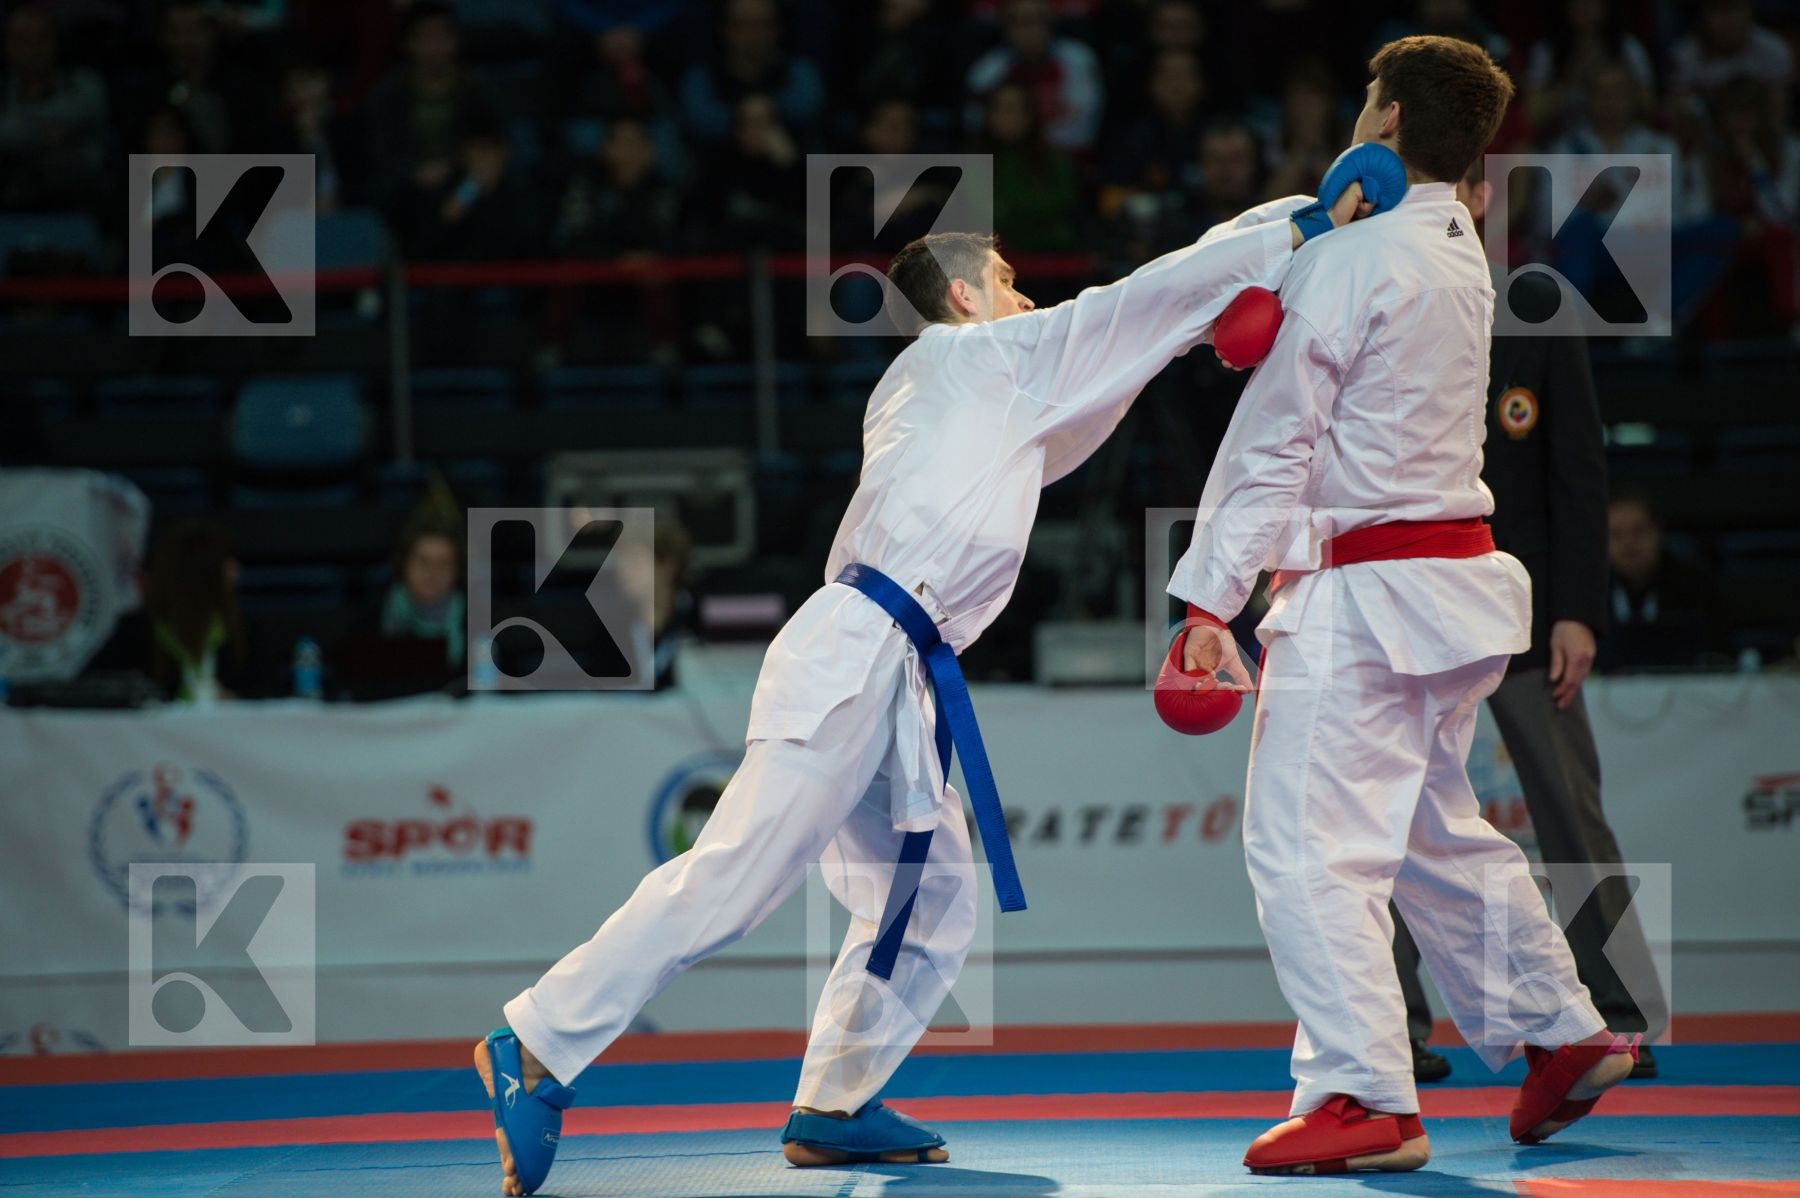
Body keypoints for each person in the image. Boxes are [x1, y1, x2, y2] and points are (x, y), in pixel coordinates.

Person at [474, 157, 1381, 1196]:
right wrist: (1302, 223)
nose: (1027, 297)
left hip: (888, 667)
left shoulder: (957, 391)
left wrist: (1205, 310)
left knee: (935, 886)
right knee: (734, 876)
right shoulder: (972, 362)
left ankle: (835, 1101)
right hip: (861, 650)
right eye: (1006, 279)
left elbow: (1103, 384)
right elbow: (1142, 300)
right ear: (963, 297)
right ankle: (535, 1043)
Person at [1163, 37, 1639, 1175]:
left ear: (1380, 123)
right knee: (1431, 833)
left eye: (1368, 104)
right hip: (1448, 590)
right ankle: (1563, 1031)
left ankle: (1362, 1093)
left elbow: (1276, 438)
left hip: (1363, 599)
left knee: (1305, 846)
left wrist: (1205, 600)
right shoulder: (1459, 248)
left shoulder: (1354, 257)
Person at [1391, 156, 1666, 1085]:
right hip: (1410, 610)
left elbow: (1578, 474)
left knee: (1570, 816)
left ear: (1482, 200)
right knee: (1384, 814)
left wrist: (1579, 612)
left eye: (1466, 193)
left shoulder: (1536, 305)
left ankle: (1620, 1017)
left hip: (1525, 609)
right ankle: (1395, 1029)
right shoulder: (1390, 299)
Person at [1597, 492, 1723, 671]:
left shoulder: (1694, 584)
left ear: (1657, 531)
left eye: (1639, 531)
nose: (1628, 543)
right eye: (1616, 534)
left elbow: (1715, 650)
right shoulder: (1591, 591)